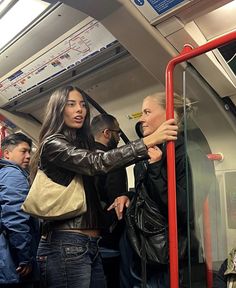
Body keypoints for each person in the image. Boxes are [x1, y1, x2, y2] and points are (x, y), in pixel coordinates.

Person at [29, 85, 178, 288]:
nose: (79, 110)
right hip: (65, 244)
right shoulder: (53, 144)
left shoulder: (81, 145)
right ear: (58, 109)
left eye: (82, 105)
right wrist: (148, 142)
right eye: (71, 104)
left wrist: (127, 195)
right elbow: (96, 163)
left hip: (87, 245)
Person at [110, 92, 196, 287]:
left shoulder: (184, 151)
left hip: (161, 249)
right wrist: (128, 196)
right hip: (140, 241)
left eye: (147, 112)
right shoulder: (153, 149)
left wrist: (156, 168)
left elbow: (184, 208)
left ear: (169, 115)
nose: (141, 119)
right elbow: (148, 191)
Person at [90, 113, 129, 287]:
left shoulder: (81, 157)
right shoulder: (112, 161)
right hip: (107, 239)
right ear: (107, 133)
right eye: (118, 132)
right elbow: (117, 202)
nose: (120, 137)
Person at [0, 133, 40, 288]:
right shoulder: (13, 174)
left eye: (30, 152)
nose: (29, 156)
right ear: (7, 154)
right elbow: (15, 218)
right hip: (13, 261)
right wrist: (25, 257)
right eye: (23, 151)